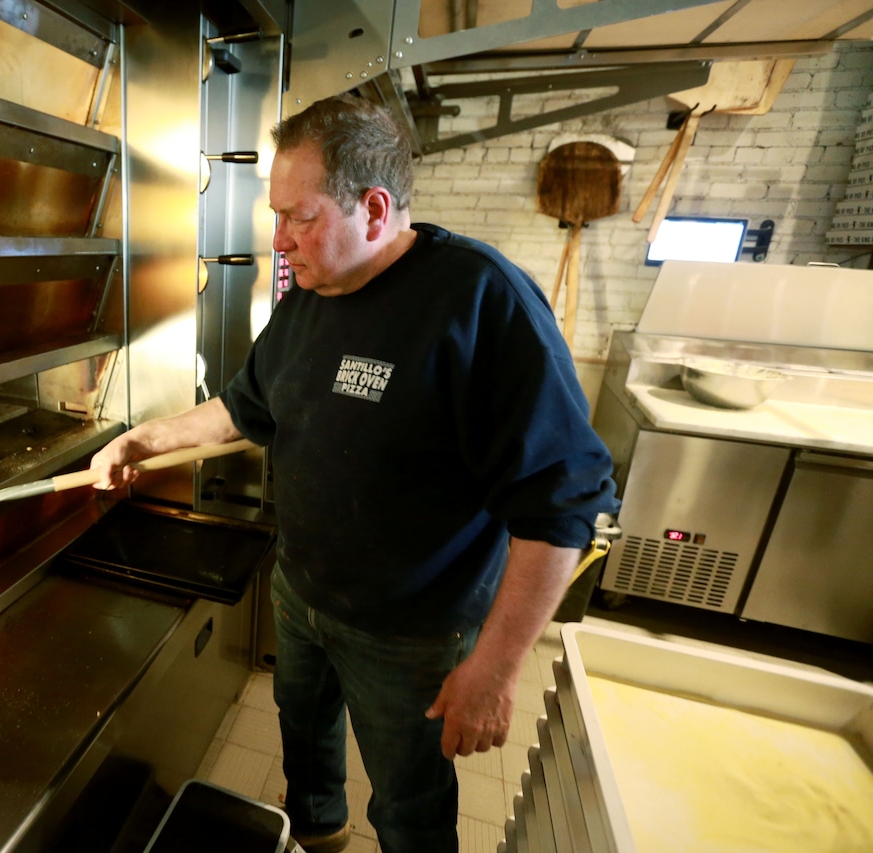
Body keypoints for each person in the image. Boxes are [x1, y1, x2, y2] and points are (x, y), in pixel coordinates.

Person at [89, 94, 618, 853]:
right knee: (303, 744)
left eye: (297, 217)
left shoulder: (479, 300)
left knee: (407, 800)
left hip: (411, 626)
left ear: (373, 209)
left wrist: (495, 672)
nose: (279, 242)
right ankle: (317, 833)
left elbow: (563, 506)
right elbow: (246, 409)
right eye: (276, 217)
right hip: (302, 591)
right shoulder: (310, 296)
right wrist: (143, 440)